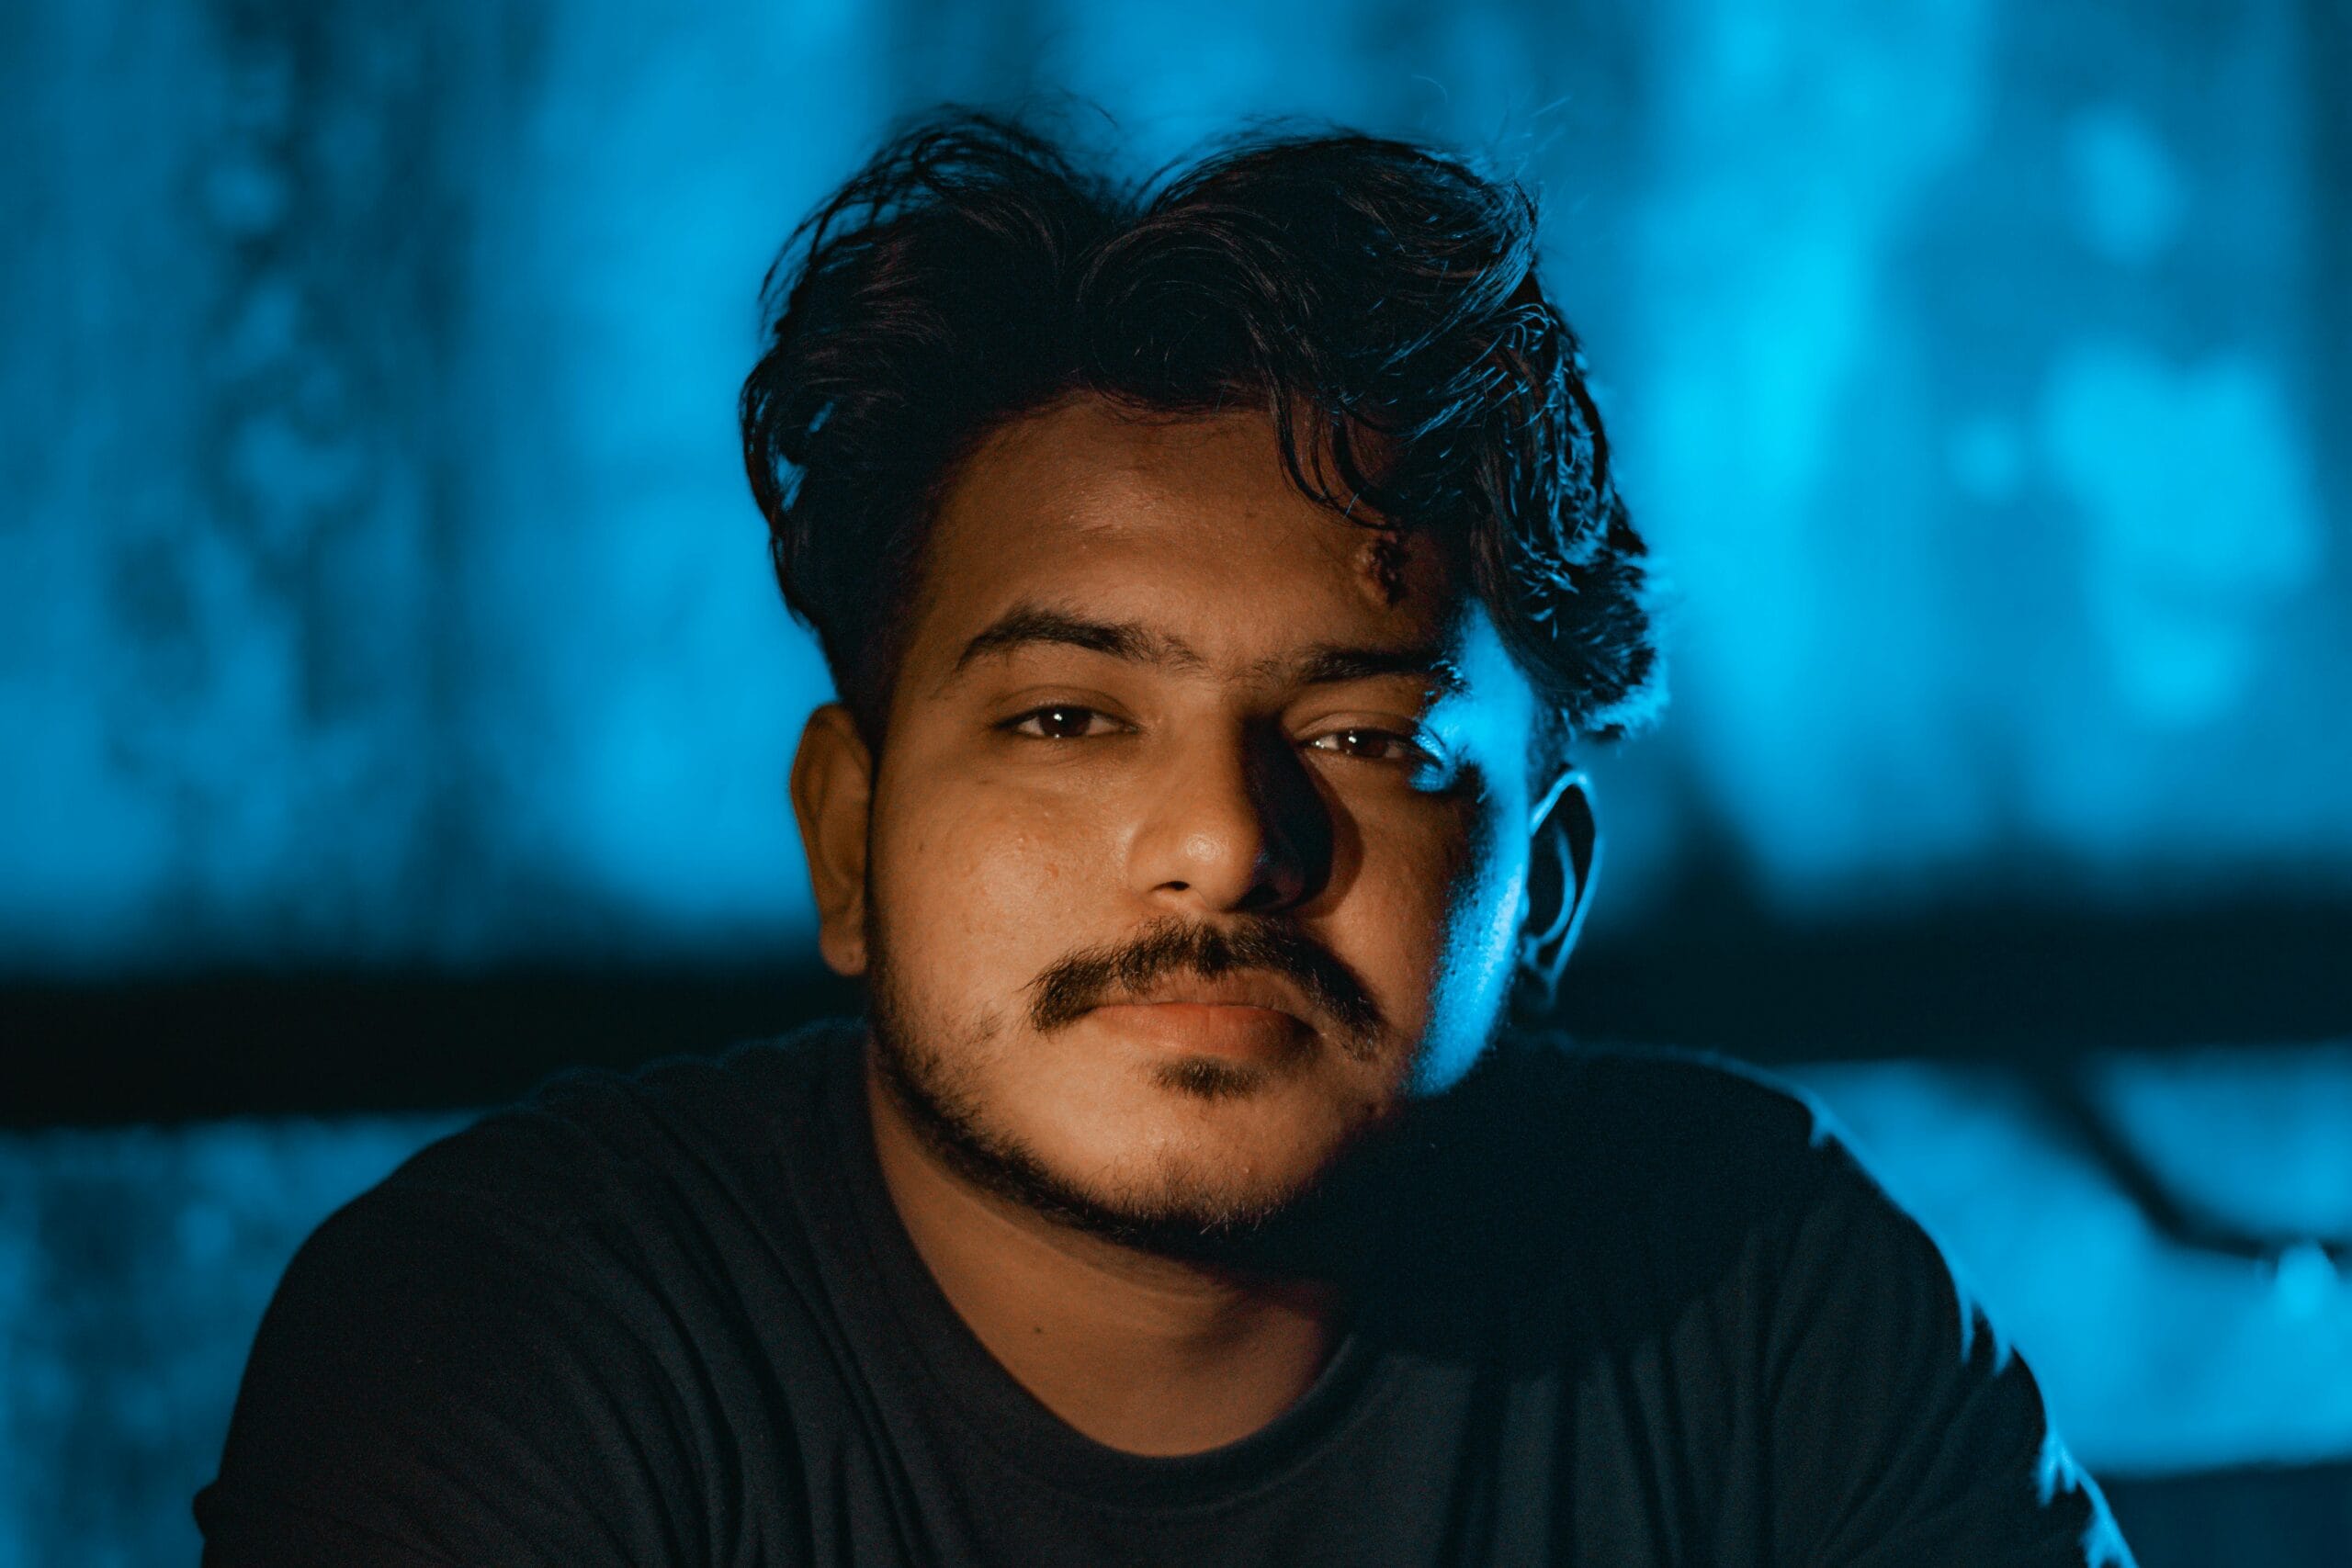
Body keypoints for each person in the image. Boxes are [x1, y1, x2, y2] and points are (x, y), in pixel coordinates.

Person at [195, 107, 2133, 1566]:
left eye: (1365, 734)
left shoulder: (1749, 1286)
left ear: (1535, 893)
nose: (1219, 842)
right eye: (1064, 716)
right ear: (848, 836)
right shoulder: (526, 1342)